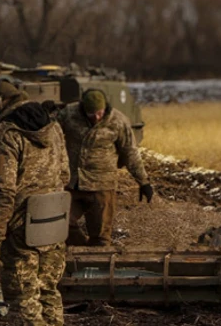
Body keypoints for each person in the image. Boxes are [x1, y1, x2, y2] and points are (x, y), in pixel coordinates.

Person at [0, 78, 69, 326]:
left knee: (23, 294)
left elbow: (1, 193)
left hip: (21, 229)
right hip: (54, 222)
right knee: (49, 290)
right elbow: (66, 173)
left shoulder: (6, 136)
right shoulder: (54, 127)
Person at [59, 88, 153, 248]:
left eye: (99, 113)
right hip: (73, 183)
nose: (96, 117)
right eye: (91, 114)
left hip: (102, 186)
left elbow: (130, 152)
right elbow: (49, 129)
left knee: (101, 237)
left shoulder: (118, 121)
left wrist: (143, 182)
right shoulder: (69, 114)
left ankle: (97, 266)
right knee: (61, 224)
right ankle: (82, 252)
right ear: (83, 109)